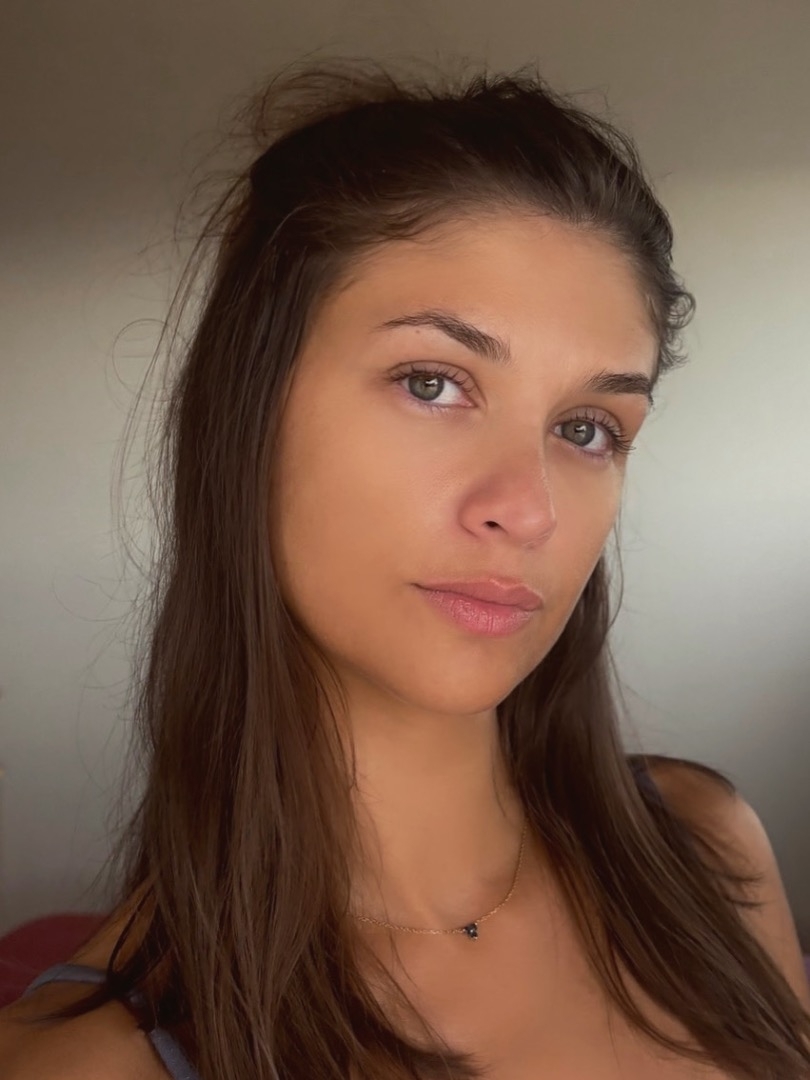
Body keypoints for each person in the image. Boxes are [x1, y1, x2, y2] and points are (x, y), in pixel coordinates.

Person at [1, 56, 809, 1080]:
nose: (528, 509)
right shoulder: (89, 1063)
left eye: (587, 428)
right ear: (249, 412)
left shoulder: (706, 845)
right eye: (433, 383)